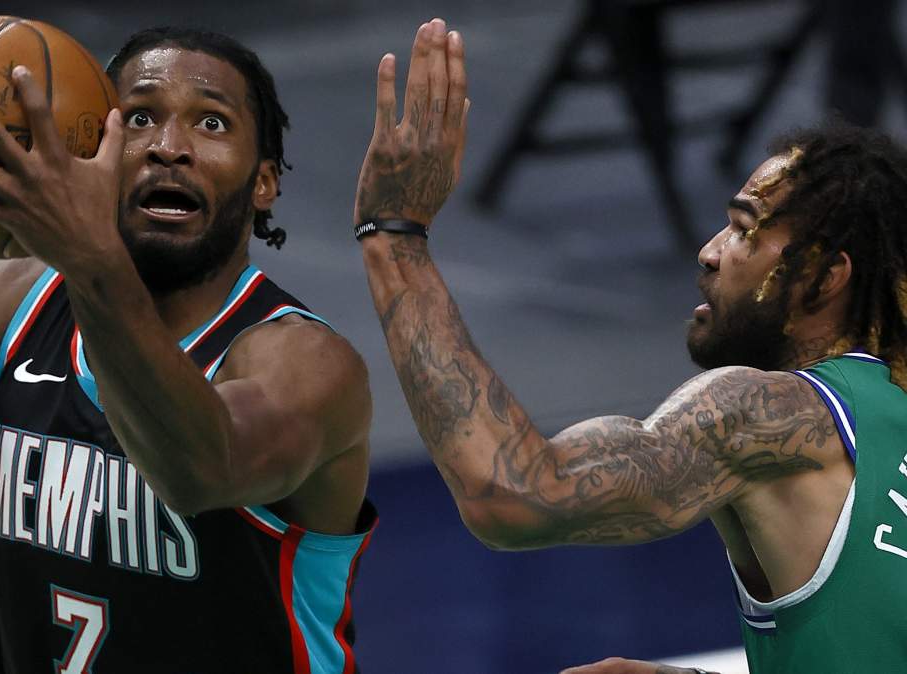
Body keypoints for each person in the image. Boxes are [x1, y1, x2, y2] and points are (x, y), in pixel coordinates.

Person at [0, 27, 377, 673]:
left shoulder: (306, 363)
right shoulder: (14, 301)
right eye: (139, 117)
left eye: (211, 123)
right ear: (92, 147)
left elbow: (199, 472)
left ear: (263, 182)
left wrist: (87, 253)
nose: (169, 147)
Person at [354, 17, 907, 674]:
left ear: (825, 275)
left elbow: (515, 494)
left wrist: (394, 234)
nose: (709, 253)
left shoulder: (765, 416)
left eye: (743, 230)